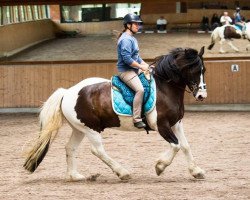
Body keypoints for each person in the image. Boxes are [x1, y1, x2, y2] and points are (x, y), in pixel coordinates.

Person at [116, 13, 151, 129]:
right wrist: (141, 67)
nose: (138, 26)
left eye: (138, 24)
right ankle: (136, 119)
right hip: (126, 71)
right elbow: (127, 59)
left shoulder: (132, 39)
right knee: (140, 90)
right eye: (136, 24)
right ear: (128, 25)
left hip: (134, 69)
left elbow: (136, 57)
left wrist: (146, 64)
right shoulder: (126, 40)